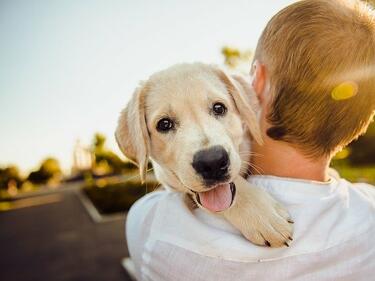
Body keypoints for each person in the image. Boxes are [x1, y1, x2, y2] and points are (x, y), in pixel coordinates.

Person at [126, 0, 375, 280]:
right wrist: (238, 197)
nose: (207, 151)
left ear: (255, 82)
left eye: (218, 109)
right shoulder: (368, 213)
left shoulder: (151, 226)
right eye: (166, 124)